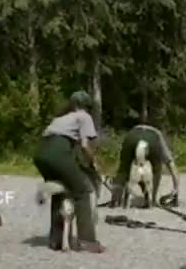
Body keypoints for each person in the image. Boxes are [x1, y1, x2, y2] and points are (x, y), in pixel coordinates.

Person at [33, 90, 105, 253]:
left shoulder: (60, 118)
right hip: (58, 154)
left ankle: (56, 240)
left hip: (40, 154)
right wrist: (94, 163)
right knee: (83, 192)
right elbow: (85, 145)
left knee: (60, 191)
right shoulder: (84, 117)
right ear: (87, 106)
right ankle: (87, 241)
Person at [110, 124, 180, 208]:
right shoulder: (158, 135)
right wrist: (176, 189)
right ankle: (153, 199)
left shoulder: (133, 131)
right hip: (152, 142)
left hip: (132, 138)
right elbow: (171, 164)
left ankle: (115, 199)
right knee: (157, 169)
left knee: (123, 169)